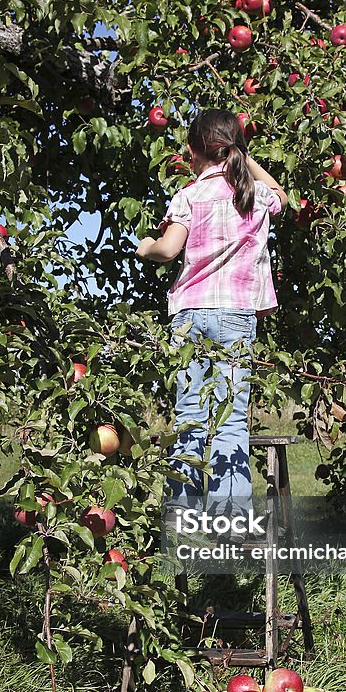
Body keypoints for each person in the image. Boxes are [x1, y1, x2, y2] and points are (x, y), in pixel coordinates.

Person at [136, 108, 287, 518]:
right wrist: (245, 154)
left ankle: (182, 516)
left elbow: (168, 250)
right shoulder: (253, 194)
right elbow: (282, 193)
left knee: (189, 417)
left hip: (190, 316)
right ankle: (231, 520)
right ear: (236, 148)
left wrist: (146, 244)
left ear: (191, 151)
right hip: (236, 316)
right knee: (230, 419)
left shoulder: (188, 195)